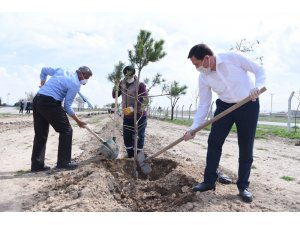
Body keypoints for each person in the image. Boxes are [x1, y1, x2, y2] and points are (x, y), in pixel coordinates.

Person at [184, 43, 266, 202]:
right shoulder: (204, 77)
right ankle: (209, 181)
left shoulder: (232, 57)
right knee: (214, 141)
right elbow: (204, 104)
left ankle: (243, 186)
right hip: (224, 107)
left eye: (197, 64)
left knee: (245, 146)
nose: (196, 68)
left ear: (207, 58)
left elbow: (259, 69)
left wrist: (258, 86)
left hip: (248, 103)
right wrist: (193, 128)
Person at [31, 66, 93, 172]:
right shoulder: (75, 84)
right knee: (66, 130)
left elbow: (44, 70)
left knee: (40, 134)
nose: (86, 81)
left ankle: (37, 165)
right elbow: (67, 107)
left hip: (38, 99)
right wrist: (78, 121)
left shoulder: (62, 70)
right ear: (81, 73)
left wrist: (42, 84)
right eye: (86, 77)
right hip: (50, 103)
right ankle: (64, 162)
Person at [112, 65, 148, 158]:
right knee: (127, 137)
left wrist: (135, 110)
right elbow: (114, 95)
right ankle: (130, 156)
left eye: (129, 76)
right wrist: (116, 85)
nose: (127, 78)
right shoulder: (122, 83)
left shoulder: (140, 85)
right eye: (126, 76)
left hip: (140, 116)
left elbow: (145, 101)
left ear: (133, 75)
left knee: (139, 137)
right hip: (127, 116)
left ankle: (139, 157)